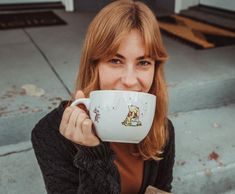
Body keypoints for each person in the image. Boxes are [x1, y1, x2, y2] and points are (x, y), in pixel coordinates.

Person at [31, 0, 175, 194]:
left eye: (143, 62)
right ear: (94, 66)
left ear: (154, 69)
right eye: (115, 61)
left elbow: (161, 189)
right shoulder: (51, 133)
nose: (130, 80)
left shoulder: (161, 129)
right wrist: (92, 153)